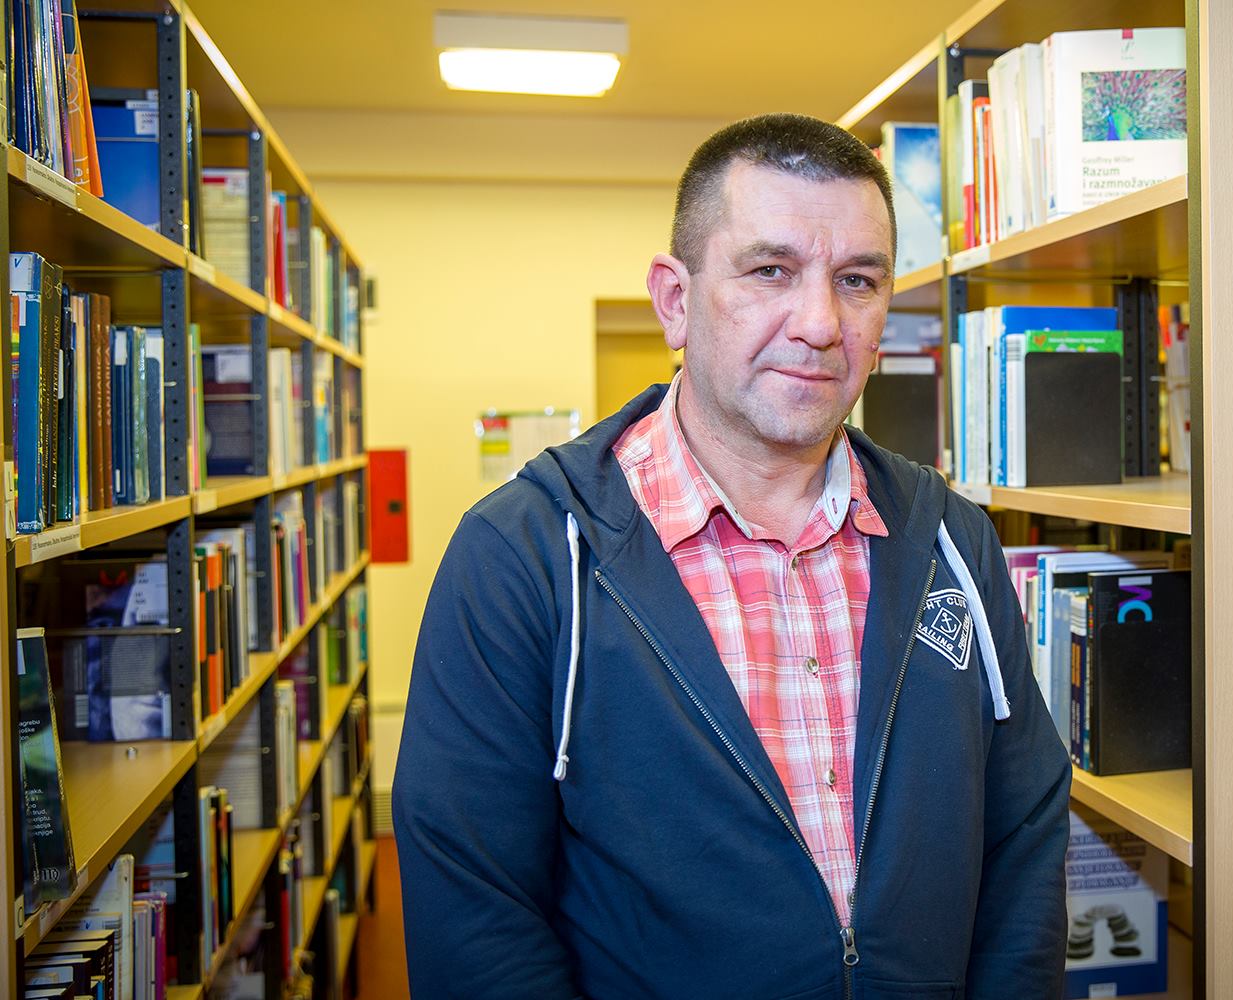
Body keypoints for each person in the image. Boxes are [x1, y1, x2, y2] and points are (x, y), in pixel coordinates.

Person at [394, 113, 1071, 999]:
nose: (820, 323)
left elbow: (1023, 836)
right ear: (675, 301)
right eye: (769, 271)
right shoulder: (523, 557)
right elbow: (476, 916)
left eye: (858, 280)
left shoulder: (952, 539)